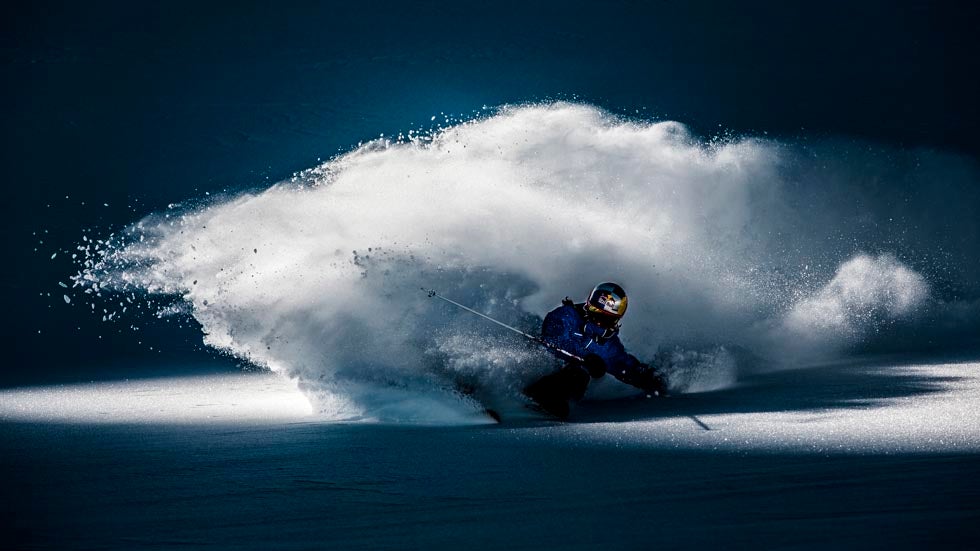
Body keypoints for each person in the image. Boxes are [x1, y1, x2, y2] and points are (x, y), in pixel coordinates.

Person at [524, 282, 667, 418]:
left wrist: (649, 378)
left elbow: (622, 365)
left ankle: (554, 403)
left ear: (615, 320)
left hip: (568, 384)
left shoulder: (608, 344)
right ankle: (537, 395)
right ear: (587, 305)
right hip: (541, 365)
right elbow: (554, 339)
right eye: (594, 312)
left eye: (605, 319)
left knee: (581, 376)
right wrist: (587, 359)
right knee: (578, 373)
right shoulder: (566, 316)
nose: (597, 321)